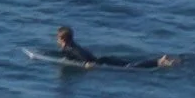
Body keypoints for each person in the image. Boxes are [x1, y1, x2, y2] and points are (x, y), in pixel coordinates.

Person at [51, 26, 179, 70]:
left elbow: (81, 57)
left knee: (130, 68)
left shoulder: (69, 48)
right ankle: (158, 61)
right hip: (104, 59)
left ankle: (159, 62)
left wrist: (86, 64)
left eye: (57, 37)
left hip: (103, 63)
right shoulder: (74, 44)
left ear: (63, 40)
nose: (56, 40)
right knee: (130, 64)